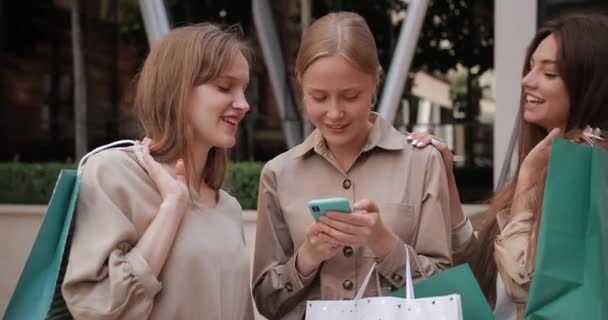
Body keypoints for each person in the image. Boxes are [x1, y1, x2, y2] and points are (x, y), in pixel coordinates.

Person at [251, 11, 453, 319]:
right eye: (319, 97)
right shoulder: (279, 174)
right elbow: (267, 302)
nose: (334, 112)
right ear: (300, 86)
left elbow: (444, 295)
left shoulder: (422, 162)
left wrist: (386, 245)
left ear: (375, 80)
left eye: (350, 96)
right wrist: (306, 259)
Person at [408, 12, 608, 320]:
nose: (527, 81)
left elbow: (522, 284)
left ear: (590, 84)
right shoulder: (553, 159)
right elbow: (488, 267)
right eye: (531, 68)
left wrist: (527, 178)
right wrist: (446, 177)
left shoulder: (585, 171)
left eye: (550, 74)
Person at [61, 23, 254, 319]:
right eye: (224, 87)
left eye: (244, 90)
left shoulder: (228, 207)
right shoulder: (113, 174)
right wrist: (172, 207)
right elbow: (97, 308)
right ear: (177, 89)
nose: (243, 104)